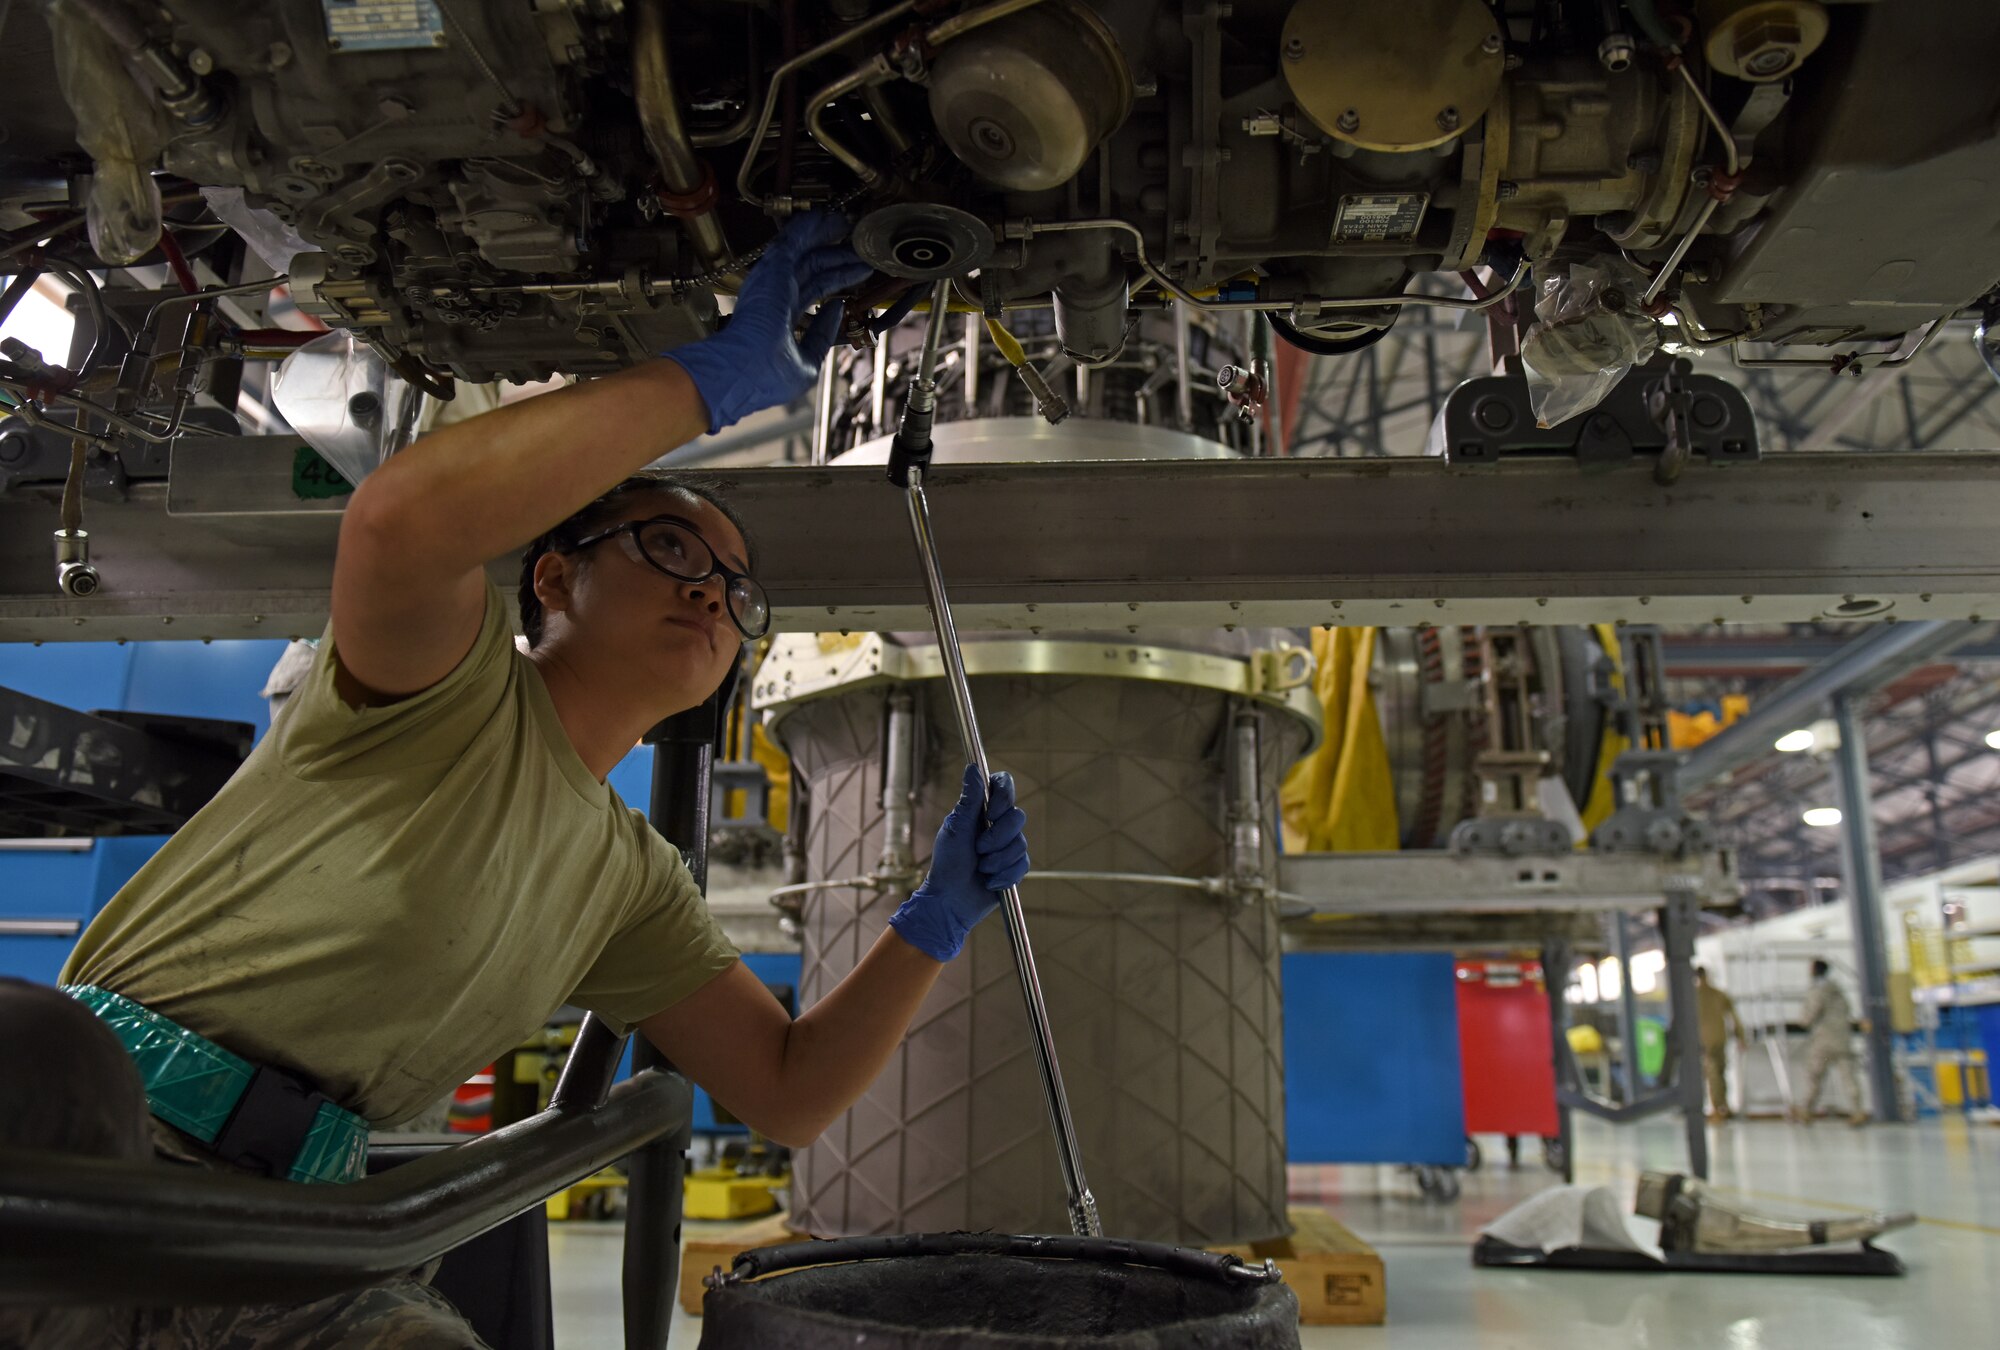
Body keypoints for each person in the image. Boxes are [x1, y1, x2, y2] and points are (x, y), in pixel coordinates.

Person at [15, 212, 1035, 1346]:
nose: (711, 595)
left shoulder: (629, 885)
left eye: (737, 593)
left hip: (296, 1232)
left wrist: (933, 922)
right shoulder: (443, 689)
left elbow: (789, 1091)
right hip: (86, 1139)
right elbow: (402, 520)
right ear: (552, 577)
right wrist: (705, 383)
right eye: (670, 548)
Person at [1792, 958, 1869, 1126]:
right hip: (1843, 1040)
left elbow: (1808, 1016)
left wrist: (1802, 1020)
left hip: (1824, 1042)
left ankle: (1806, 1111)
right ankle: (1857, 1111)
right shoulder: (1838, 990)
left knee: (1814, 1077)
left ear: (1814, 970)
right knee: (1849, 1078)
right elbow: (1847, 1010)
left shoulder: (1818, 990)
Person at [1694, 965, 1745, 1123]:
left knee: (1713, 1075)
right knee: (1719, 1074)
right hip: (1719, 1039)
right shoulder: (1719, 994)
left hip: (1704, 1041)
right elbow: (1734, 1017)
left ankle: (1718, 1109)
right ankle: (1723, 1107)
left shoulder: (1692, 996)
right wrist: (1740, 1036)